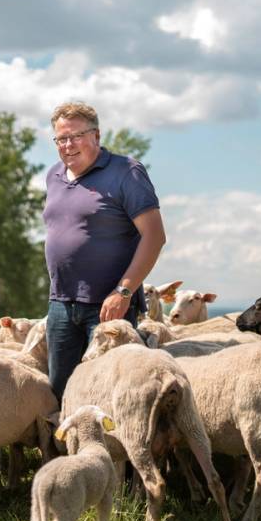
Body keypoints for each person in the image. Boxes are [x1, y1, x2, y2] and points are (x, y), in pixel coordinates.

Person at [42, 101, 166, 402]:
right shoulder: (54, 176)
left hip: (108, 307)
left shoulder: (126, 171)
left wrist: (123, 292)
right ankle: (70, 451)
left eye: (76, 136)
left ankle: (110, 450)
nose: (68, 145)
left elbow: (154, 236)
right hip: (61, 304)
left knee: (108, 395)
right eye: (61, 139)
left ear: (96, 135)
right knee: (62, 394)